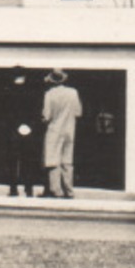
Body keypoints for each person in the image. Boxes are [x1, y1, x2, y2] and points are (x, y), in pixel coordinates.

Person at [41, 69, 83, 198]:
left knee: (53, 160)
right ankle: (69, 190)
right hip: (70, 129)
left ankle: (56, 190)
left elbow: (46, 116)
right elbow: (78, 112)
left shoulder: (49, 95)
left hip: (54, 129)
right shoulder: (73, 93)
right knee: (67, 160)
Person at [5, 73, 43, 197]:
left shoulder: (8, 92)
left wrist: (15, 126)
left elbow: (6, 112)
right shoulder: (32, 93)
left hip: (13, 130)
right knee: (28, 160)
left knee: (12, 160)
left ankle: (13, 188)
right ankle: (28, 187)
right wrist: (30, 126)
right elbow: (36, 111)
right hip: (28, 129)